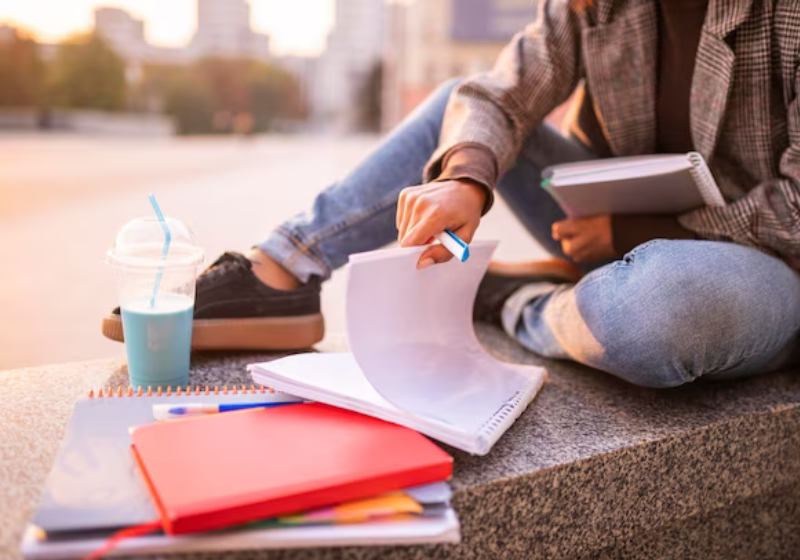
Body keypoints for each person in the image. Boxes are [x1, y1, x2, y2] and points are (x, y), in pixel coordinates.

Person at [103, 0, 800, 388]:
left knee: (661, 311)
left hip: (758, 266)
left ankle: (517, 299)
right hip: (620, 220)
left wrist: (629, 237)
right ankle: (284, 267)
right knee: (458, 110)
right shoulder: (593, 5)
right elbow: (496, 95)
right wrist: (465, 178)